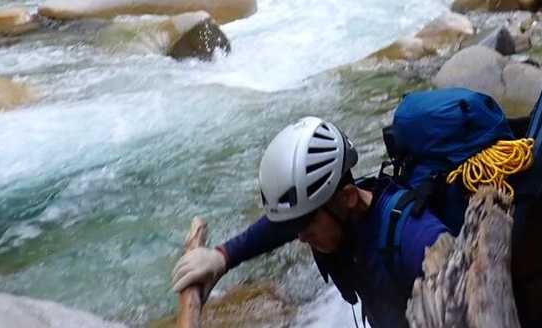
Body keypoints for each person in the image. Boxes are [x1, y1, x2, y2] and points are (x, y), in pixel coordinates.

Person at [171, 116, 451, 328]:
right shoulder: (339, 213)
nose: (300, 237)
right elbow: (277, 227)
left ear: (348, 197)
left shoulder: (417, 239)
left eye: (305, 224)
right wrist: (222, 257)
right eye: (295, 226)